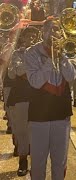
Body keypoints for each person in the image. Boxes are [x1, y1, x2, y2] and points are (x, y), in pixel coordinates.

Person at [24, 18, 76, 179]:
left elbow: (70, 76)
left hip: (61, 114)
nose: (54, 33)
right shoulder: (32, 52)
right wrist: (49, 59)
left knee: (60, 161)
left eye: (58, 30)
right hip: (38, 115)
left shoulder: (69, 51)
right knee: (38, 161)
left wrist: (61, 56)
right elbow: (35, 82)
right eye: (51, 29)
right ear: (43, 32)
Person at [7, 26, 40, 176]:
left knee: (37, 131)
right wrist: (33, 70)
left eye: (34, 36)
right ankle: (22, 160)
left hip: (37, 96)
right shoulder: (16, 53)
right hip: (20, 95)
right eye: (29, 36)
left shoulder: (41, 54)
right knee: (21, 131)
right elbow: (18, 73)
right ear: (23, 37)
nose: (31, 39)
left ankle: (36, 162)